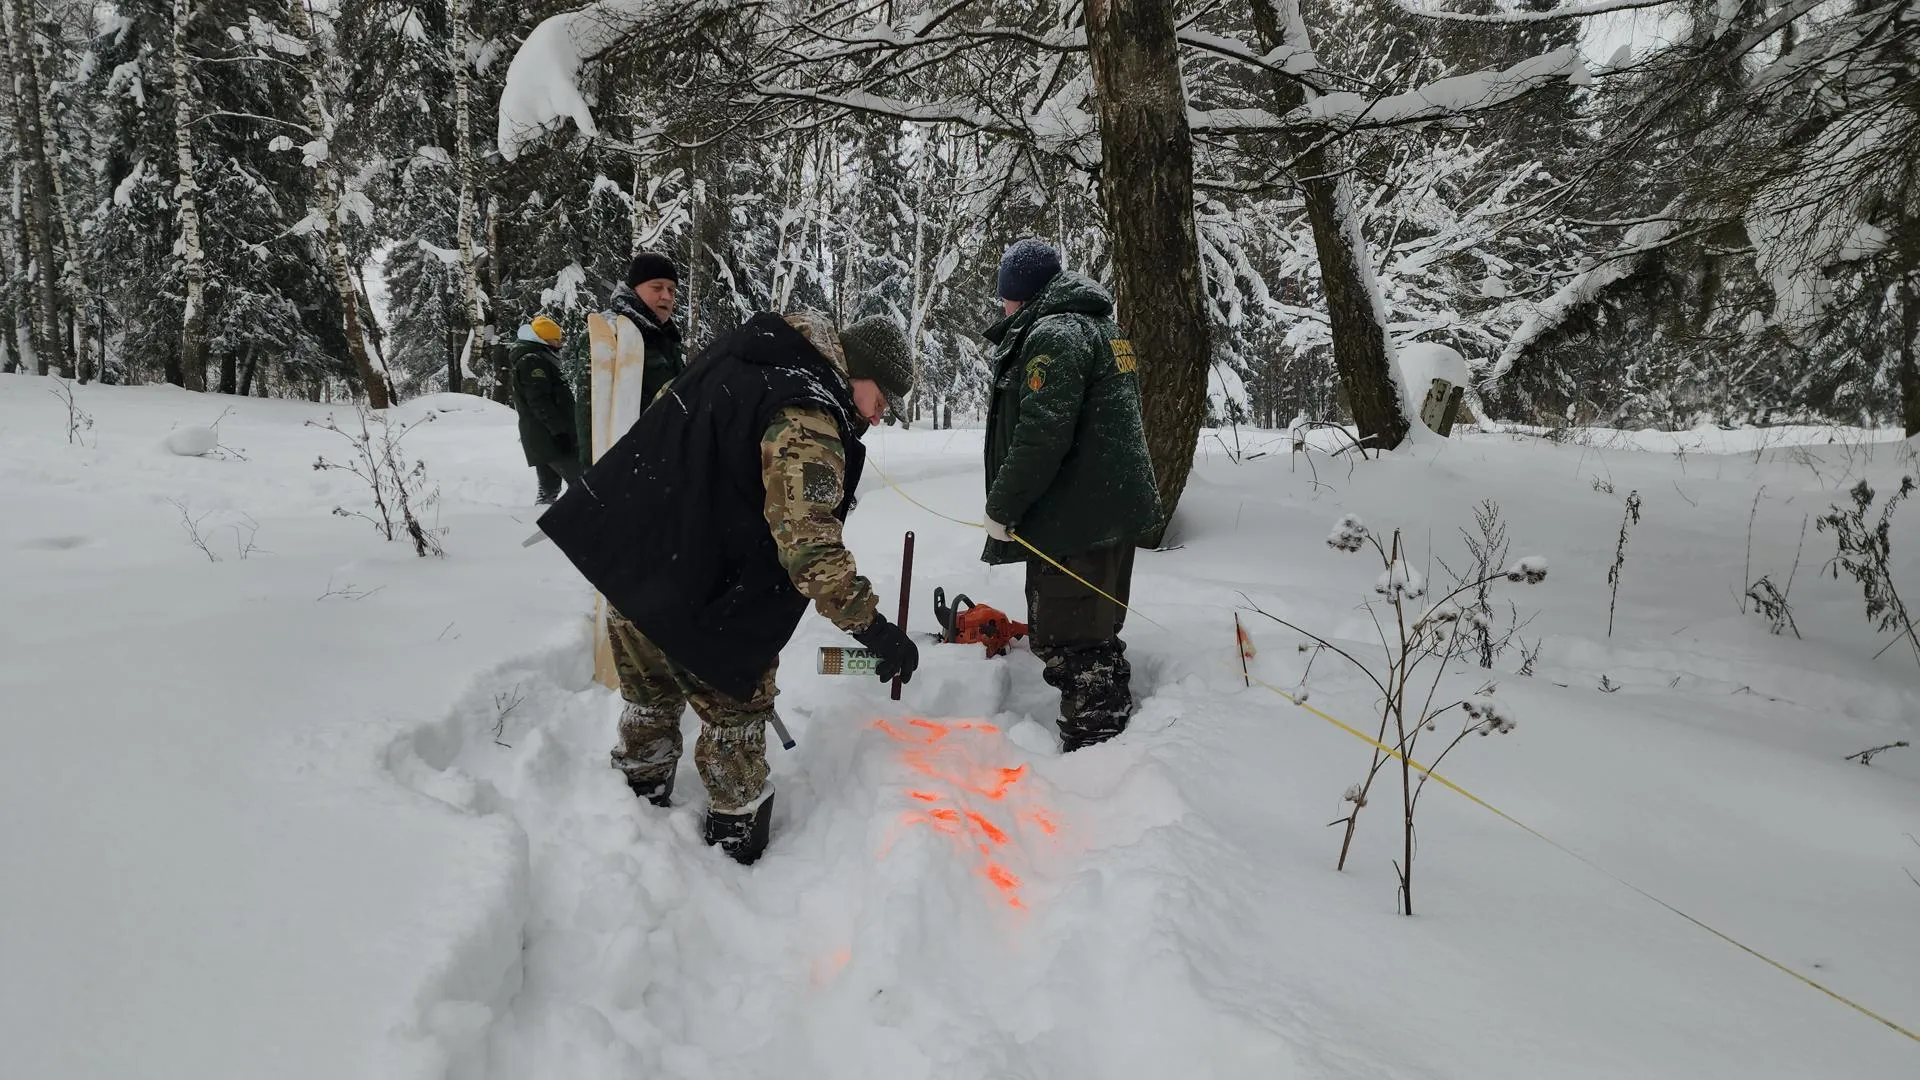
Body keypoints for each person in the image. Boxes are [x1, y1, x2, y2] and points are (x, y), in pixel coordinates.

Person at [537, 309, 922, 865]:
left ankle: (634, 817)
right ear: (860, 373)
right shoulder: (807, 416)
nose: (878, 418)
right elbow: (810, 547)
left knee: (648, 701)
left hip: (636, 567)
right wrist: (874, 629)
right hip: (707, 593)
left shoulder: (740, 357)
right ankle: (734, 843)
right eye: (881, 401)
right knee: (733, 723)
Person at [979, 238, 1161, 752]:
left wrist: (1002, 506)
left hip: (1076, 518)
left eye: (1007, 298)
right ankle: (1109, 725)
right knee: (1094, 629)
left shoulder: (1057, 334)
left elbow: (1042, 435)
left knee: (1069, 637)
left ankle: (1097, 752)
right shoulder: (1100, 327)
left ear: (1024, 294)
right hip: (1106, 510)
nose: (1004, 307)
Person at [506, 315, 580, 505]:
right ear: (543, 339)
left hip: (542, 437)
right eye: (555, 339)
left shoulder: (537, 357)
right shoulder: (533, 361)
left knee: (549, 489)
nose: (559, 343)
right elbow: (539, 401)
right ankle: (581, 520)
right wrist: (560, 432)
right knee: (582, 483)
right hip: (549, 437)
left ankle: (539, 521)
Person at [606, 251, 687, 410]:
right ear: (634, 288)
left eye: (671, 290)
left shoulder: (668, 340)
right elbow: (592, 418)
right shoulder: (609, 332)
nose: (667, 296)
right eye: (657, 287)